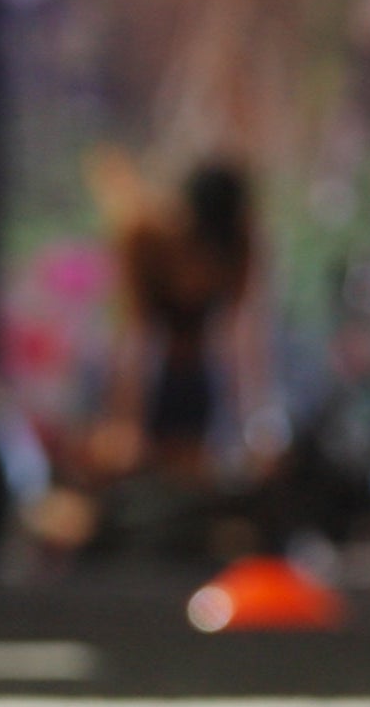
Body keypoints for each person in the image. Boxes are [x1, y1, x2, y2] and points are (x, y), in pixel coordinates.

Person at [91, 153, 261, 482]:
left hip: (201, 382)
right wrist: (125, 421)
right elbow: (134, 335)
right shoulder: (146, 239)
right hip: (148, 381)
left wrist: (251, 426)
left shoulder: (239, 241)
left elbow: (241, 338)